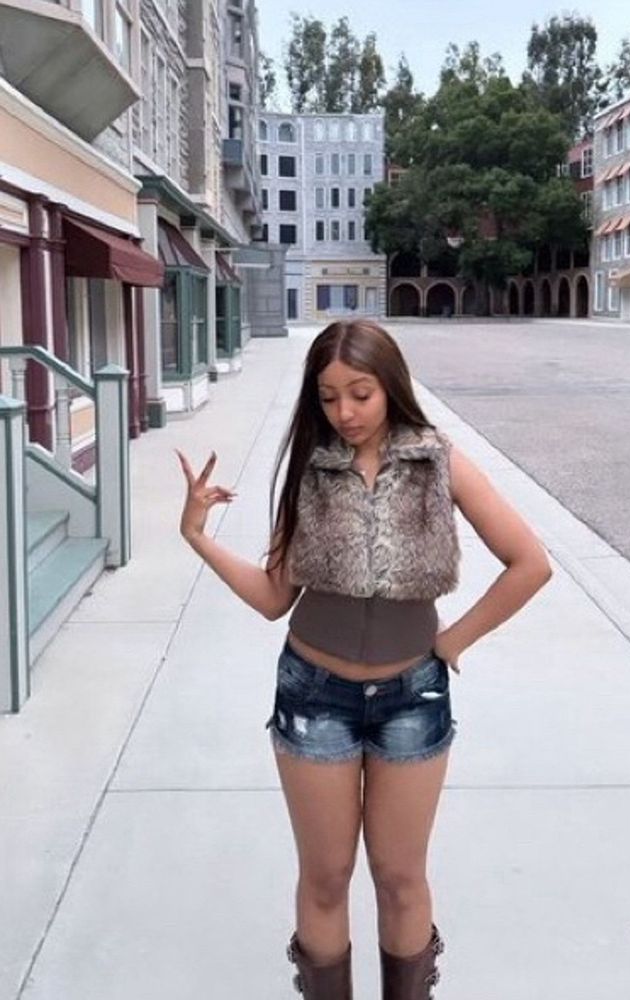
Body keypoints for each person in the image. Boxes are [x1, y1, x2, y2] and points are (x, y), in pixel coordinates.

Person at [177, 319, 552, 999]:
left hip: (412, 698)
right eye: (328, 398)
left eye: (360, 394)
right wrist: (198, 536)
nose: (344, 412)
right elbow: (274, 598)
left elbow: (529, 563)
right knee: (325, 878)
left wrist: (453, 641)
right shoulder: (310, 473)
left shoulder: (438, 463)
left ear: (390, 389)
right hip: (314, 697)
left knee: (400, 877)